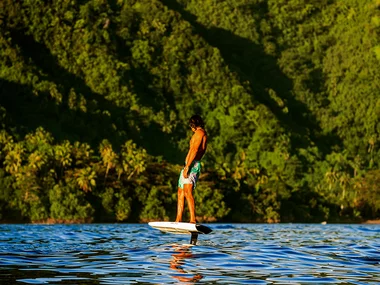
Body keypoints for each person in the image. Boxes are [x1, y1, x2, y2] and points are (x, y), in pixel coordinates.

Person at [175, 115, 207, 224]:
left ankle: (193, 219)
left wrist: (188, 166)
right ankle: (178, 219)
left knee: (188, 191)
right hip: (188, 165)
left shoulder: (200, 133)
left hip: (192, 166)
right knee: (181, 192)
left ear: (193, 124)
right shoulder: (197, 133)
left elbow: (194, 150)